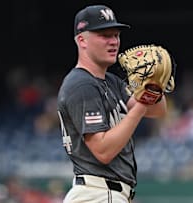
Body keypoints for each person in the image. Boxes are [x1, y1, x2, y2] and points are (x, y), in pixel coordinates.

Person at [57, 4, 168, 203]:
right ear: (82, 40)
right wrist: (142, 103)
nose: (113, 41)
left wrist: (154, 85)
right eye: (104, 35)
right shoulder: (81, 85)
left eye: (116, 35)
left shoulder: (111, 82)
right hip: (98, 193)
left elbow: (158, 110)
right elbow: (103, 151)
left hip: (105, 193)